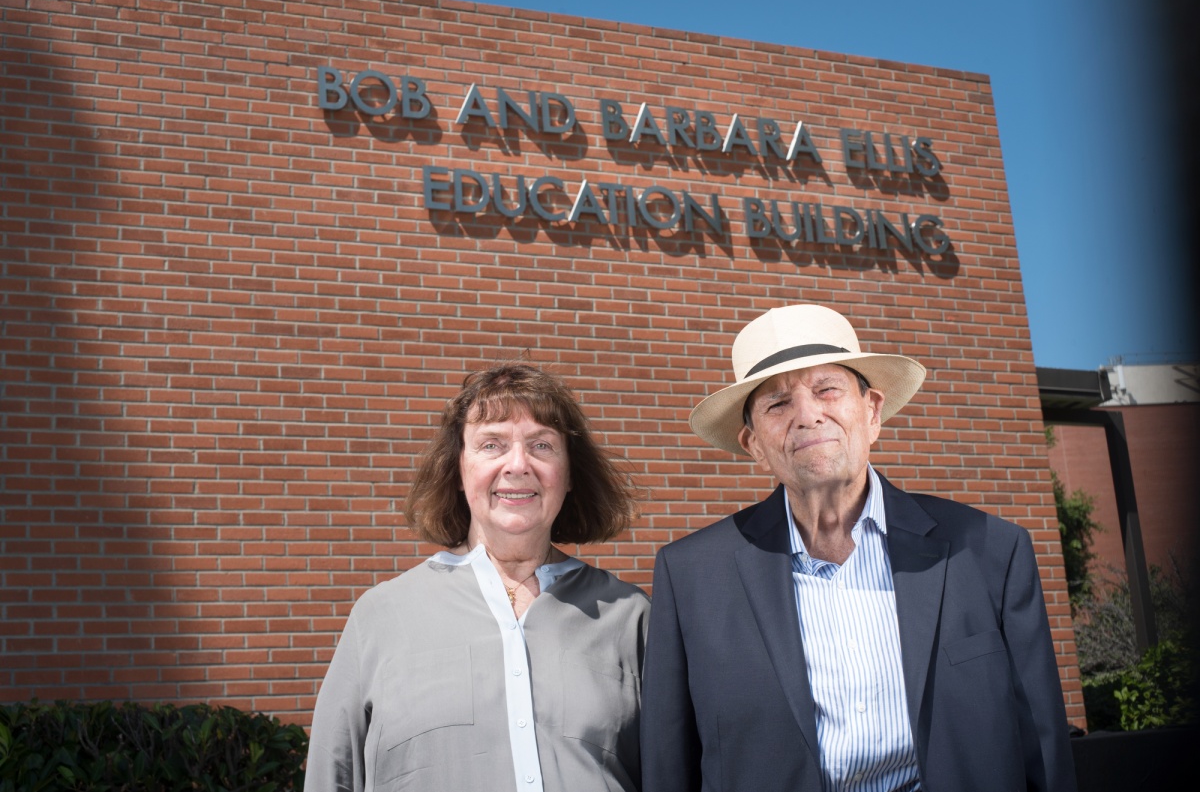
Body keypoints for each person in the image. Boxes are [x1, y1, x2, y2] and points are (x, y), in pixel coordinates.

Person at [640, 305, 1077, 792]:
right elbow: (668, 766)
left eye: (827, 389)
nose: (808, 415)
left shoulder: (991, 550)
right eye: (777, 404)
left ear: (872, 411)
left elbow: (1043, 747)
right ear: (753, 443)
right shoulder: (692, 577)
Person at [306, 364, 650, 792]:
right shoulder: (380, 617)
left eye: (542, 445)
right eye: (492, 444)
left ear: (570, 475)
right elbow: (331, 777)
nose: (518, 464)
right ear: (458, 470)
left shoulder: (630, 616)